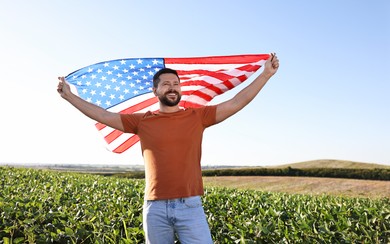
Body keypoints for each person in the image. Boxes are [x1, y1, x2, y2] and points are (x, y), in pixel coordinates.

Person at [57, 53, 279, 243]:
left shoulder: (197, 116)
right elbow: (104, 115)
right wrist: (69, 97)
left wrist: (266, 75)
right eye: (166, 84)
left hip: (190, 206)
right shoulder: (142, 121)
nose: (172, 88)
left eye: (176, 84)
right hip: (155, 208)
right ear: (155, 90)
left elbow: (236, 102)